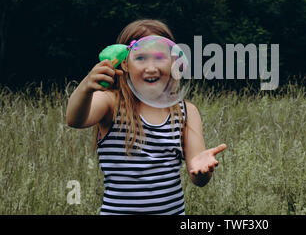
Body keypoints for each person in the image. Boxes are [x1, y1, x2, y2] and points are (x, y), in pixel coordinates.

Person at [66, 19, 227, 215]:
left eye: (160, 57)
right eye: (140, 58)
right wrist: (86, 87)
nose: (151, 67)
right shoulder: (111, 103)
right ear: (124, 64)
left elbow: (197, 177)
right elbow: (75, 120)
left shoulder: (186, 112)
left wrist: (203, 171)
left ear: (174, 62)